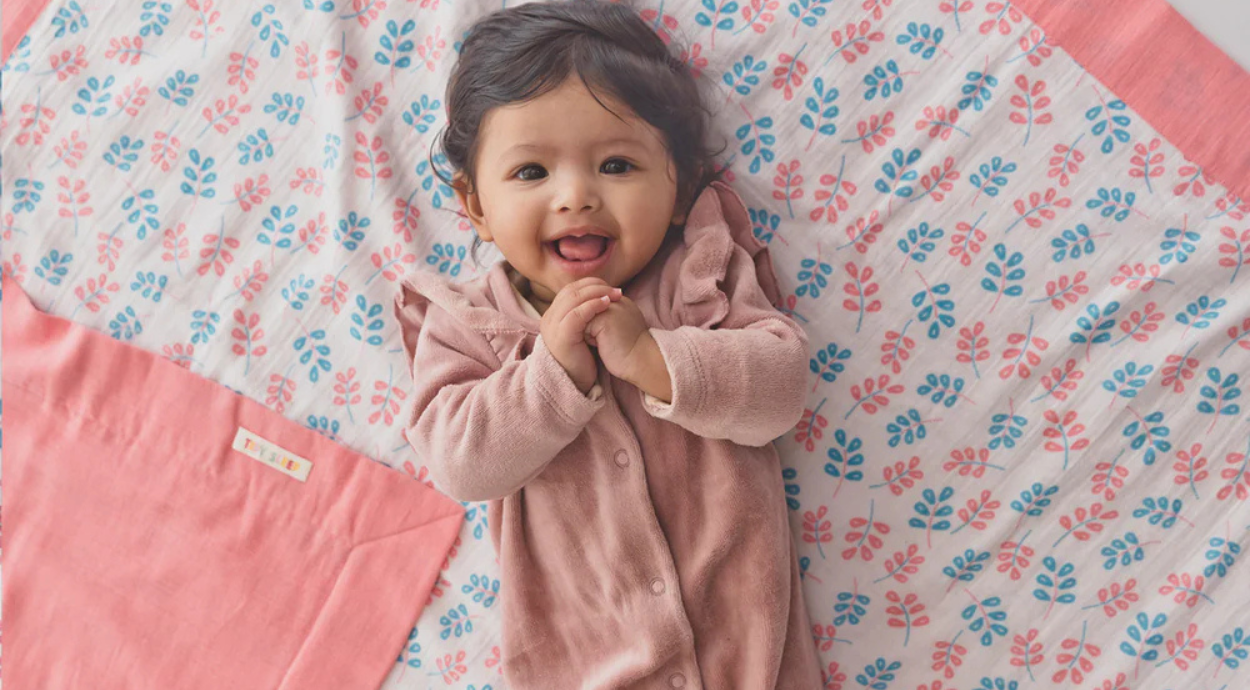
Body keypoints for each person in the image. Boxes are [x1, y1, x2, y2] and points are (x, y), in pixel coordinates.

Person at [394, 1, 823, 687]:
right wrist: (551, 377)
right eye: (531, 173)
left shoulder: (699, 275)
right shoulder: (469, 320)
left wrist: (657, 360)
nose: (576, 196)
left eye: (617, 165)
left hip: (752, 663)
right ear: (475, 205)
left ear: (679, 189)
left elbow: (782, 390)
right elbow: (460, 464)